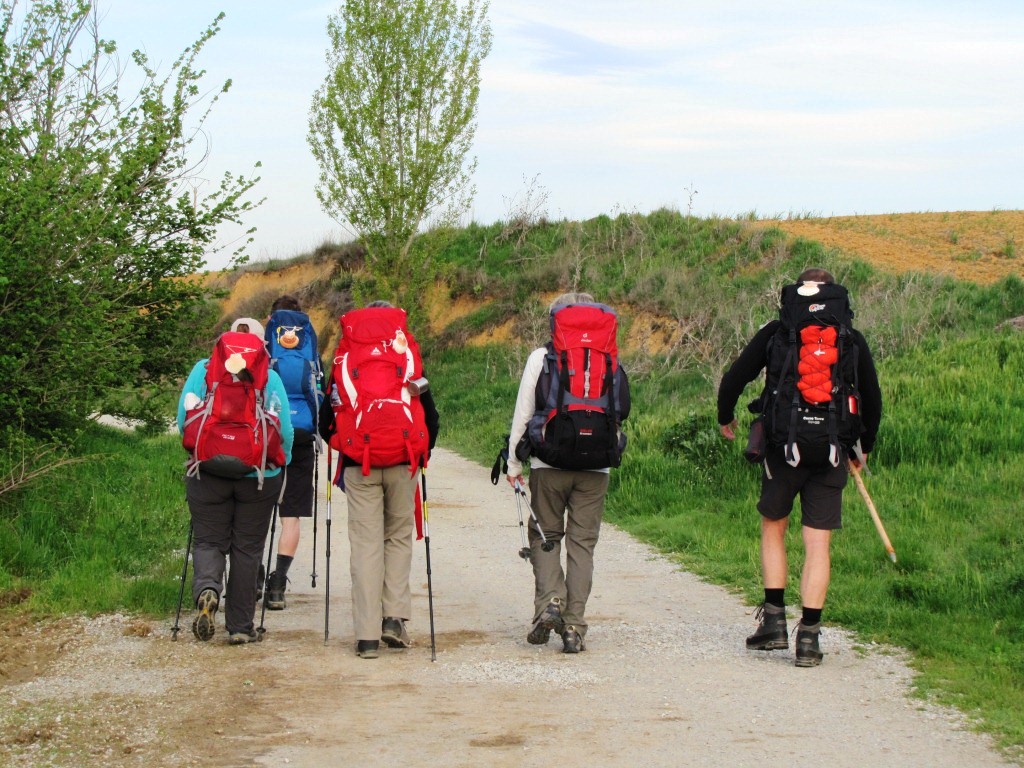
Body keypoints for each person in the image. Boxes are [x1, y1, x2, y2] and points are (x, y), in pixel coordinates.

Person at [717, 268, 882, 667]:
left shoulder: (778, 332)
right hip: (831, 451)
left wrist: (726, 415)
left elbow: (735, 377)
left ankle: (773, 623)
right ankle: (808, 638)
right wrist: (862, 448)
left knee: (774, 528)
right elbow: (873, 398)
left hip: (782, 449)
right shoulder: (850, 338)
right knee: (818, 544)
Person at [505, 292, 631, 654]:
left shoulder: (541, 358)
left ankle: (550, 603)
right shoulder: (608, 358)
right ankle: (574, 626)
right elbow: (622, 407)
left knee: (545, 533)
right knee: (582, 544)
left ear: (555, 322)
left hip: (549, 463)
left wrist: (515, 462)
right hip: (596, 467)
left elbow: (524, 412)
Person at [320, 301, 440, 659]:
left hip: (359, 464)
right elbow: (429, 415)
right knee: (398, 538)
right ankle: (393, 619)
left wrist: (346, 446)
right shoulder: (405, 355)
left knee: (366, 544)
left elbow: (329, 417)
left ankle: (367, 637)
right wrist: (421, 454)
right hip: (404, 461)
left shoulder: (346, 359)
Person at [177, 317, 294, 644]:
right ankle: (241, 627)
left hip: (207, 471)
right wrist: (277, 463)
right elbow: (284, 432)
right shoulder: (269, 376)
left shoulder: (203, 370)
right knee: (247, 548)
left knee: (208, 541)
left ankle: (208, 591)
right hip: (258, 476)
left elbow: (181, 422)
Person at [263, 295, 324, 610]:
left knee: (257, 511)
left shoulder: (264, 346)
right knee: (291, 515)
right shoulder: (309, 348)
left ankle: (250, 575)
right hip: (301, 435)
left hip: (266, 435)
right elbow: (322, 391)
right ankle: (277, 585)